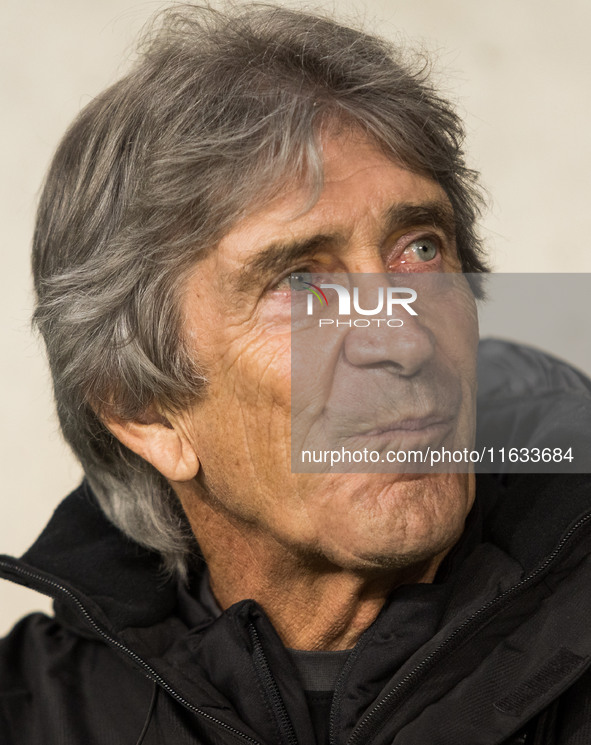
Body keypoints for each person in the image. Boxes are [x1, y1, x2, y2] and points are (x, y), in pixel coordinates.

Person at [1, 4, 591, 744]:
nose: (405, 339)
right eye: (299, 283)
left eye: (419, 249)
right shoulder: (33, 717)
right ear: (147, 412)